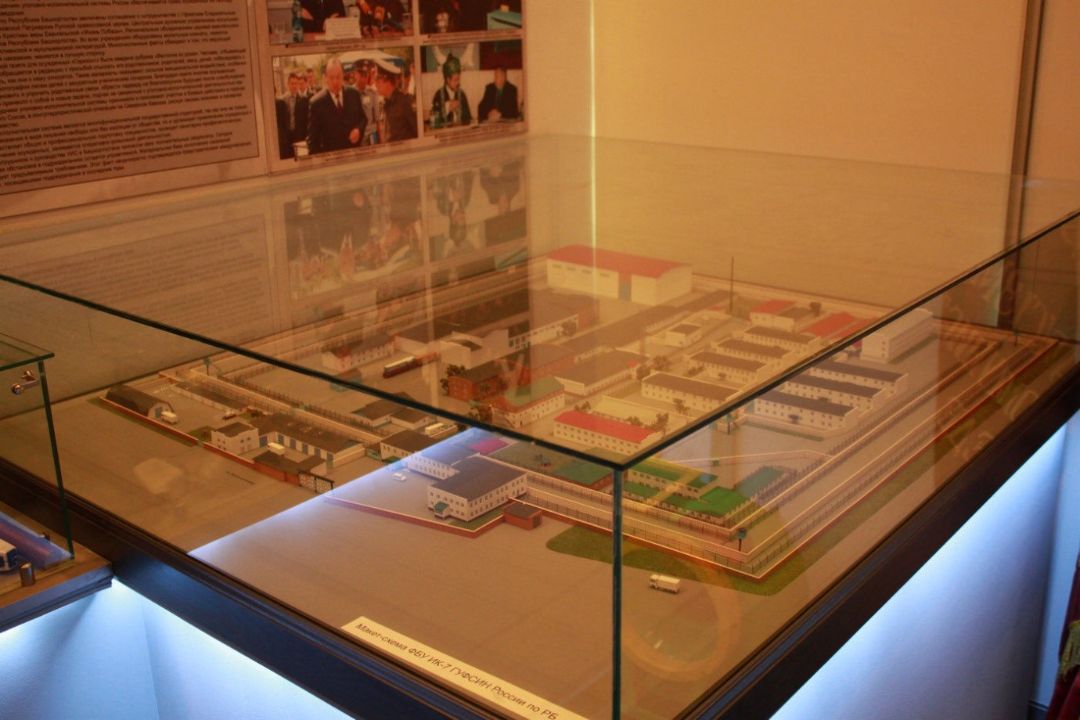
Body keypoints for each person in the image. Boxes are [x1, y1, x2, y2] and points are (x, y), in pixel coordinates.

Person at [306, 58, 366, 154]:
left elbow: (363, 119)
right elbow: (312, 141)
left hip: (354, 154)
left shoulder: (354, 94)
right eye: (331, 78)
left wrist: (358, 130)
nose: (335, 82)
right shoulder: (316, 103)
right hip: (331, 158)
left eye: (338, 77)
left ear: (343, 75)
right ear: (325, 78)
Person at [373, 59, 418, 143]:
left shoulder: (405, 102)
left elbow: (418, 130)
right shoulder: (384, 103)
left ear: (388, 81)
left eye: (377, 80)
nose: (375, 84)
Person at [430, 53, 471, 127]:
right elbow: (434, 121)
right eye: (455, 80)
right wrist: (447, 108)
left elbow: (468, 118)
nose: (458, 82)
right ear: (448, 80)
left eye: (459, 79)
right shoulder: (438, 95)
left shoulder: (462, 94)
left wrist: (459, 112)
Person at [275, 72, 310, 158]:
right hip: (286, 138)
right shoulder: (282, 100)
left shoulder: (304, 100)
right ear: (288, 84)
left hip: (299, 137)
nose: (294, 86)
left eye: (296, 84)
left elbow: (306, 120)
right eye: (292, 83)